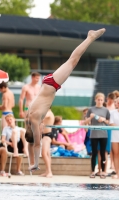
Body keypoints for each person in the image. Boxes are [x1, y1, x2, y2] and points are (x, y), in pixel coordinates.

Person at [25, 28, 106, 171]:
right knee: (72, 61)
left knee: (73, 60)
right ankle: (90, 38)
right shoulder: (28, 119)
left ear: (35, 130)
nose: (42, 129)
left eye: (39, 130)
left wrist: (36, 163)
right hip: (48, 83)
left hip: (52, 84)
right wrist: (32, 159)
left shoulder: (35, 120)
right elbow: (31, 143)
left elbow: (36, 144)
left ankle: (90, 37)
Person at [19, 72, 41, 167]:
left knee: (37, 133)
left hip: (36, 111)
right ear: (32, 77)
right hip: (28, 110)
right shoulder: (26, 87)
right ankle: (28, 153)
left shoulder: (39, 87)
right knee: (29, 133)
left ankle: (36, 156)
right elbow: (21, 99)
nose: (37, 80)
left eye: (38, 78)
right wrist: (21, 111)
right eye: (36, 78)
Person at [86, 92, 110, 179]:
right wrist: (91, 117)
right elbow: (85, 122)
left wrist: (103, 119)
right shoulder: (91, 109)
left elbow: (108, 122)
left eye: (101, 100)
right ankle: (93, 171)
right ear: (95, 100)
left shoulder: (106, 110)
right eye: (98, 99)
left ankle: (103, 171)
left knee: (103, 153)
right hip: (94, 134)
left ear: (103, 100)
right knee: (94, 153)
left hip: (103, 133)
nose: (99, 101)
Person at [40, 109, 55, 178]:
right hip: (45, 135)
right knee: (48, 154)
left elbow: (43, 116)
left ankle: (49, 172)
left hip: (47, 135)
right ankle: (47, 171)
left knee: (44, 153)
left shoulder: (48, 112)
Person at [109, 97, 119, 179]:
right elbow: (111, 123)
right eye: (117, 102)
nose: (117, 104)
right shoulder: (113, 113)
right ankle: (117, 173)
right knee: (116, 155)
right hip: (115, 136)